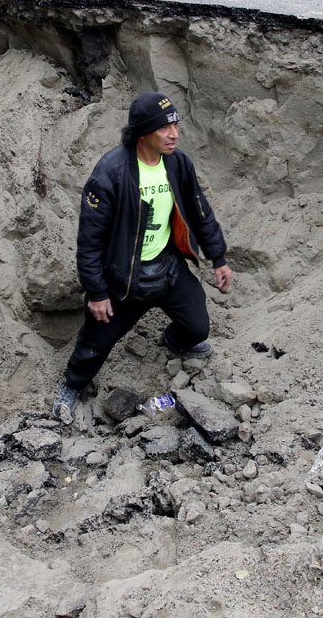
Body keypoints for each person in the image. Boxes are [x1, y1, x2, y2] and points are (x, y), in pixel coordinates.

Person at [53, 91, 233, 424]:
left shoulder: (177, 162)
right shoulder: (111, 174)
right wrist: (96, 291)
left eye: (175, 125)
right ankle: (71, 387)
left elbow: (199, 211)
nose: (174, 134)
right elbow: (89, 241)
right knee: (93, 344)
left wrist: (218, 257)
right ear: (143, 133)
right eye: (165, 128)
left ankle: (174, 341)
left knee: (198, 327)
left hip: (167, 270)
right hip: (123, 280)